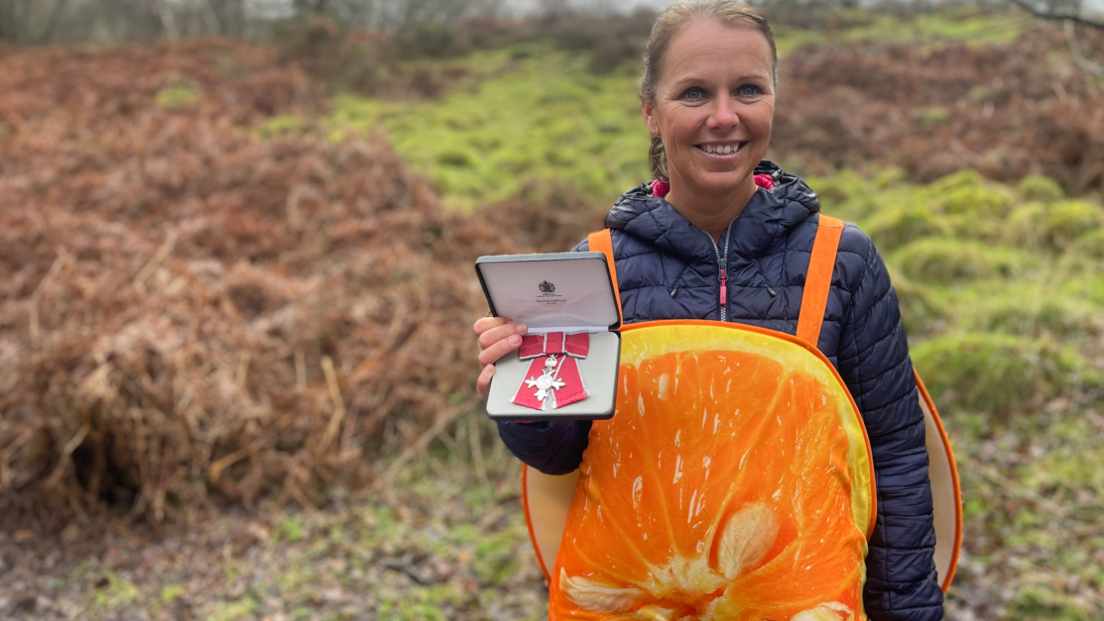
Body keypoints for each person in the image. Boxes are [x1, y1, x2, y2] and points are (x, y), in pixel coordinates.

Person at [473, 1, 943, 619]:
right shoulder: (596, 269)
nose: (724, 117)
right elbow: (561, 458)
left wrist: (907, 611)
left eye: (747, 89)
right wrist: (524, 395)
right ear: (649, 110)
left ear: (774, 97)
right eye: (694, 93)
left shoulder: (843, 262)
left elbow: (895, 462)